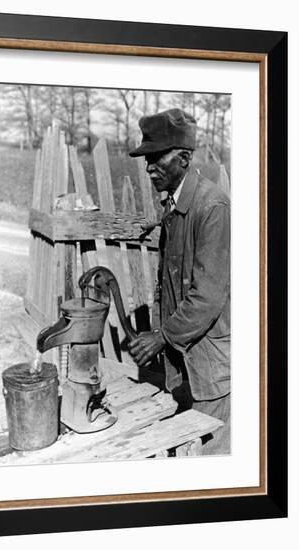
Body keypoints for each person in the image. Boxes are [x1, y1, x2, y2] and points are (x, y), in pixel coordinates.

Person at [128, 108, 231, 455]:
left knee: (211, 463)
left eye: (156, 157)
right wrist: (158, 220)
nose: (148, 167)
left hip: (209, 369)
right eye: (146, 158)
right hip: (183, 363)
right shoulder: (174, 204)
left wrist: (161, 337)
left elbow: (207, 297)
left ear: (184, 158)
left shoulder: (212, 206)